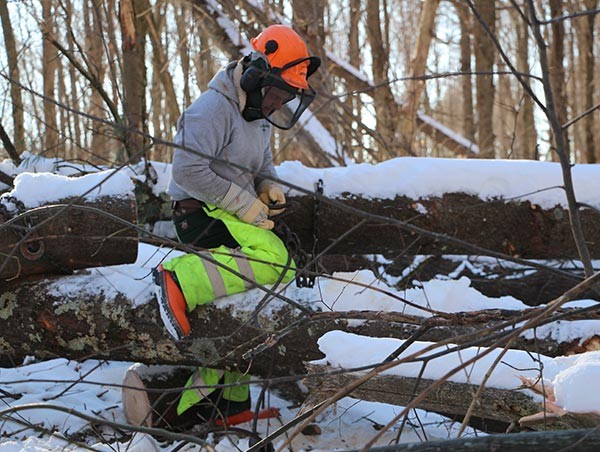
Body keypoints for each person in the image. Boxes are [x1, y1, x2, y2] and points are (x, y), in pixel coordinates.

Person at [152, 24, 321, 425]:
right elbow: (188, 170)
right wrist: (243, 205)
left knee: (248, 302)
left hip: (228, 210)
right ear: (255, 75)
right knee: (277, 261)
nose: (277, 103)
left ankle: (230, 402)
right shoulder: (211, 110)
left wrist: (267, 187)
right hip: (198, 211)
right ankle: (179, 278)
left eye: (286, 97)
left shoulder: (257, 114)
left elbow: (261, 164)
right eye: (277, 93)